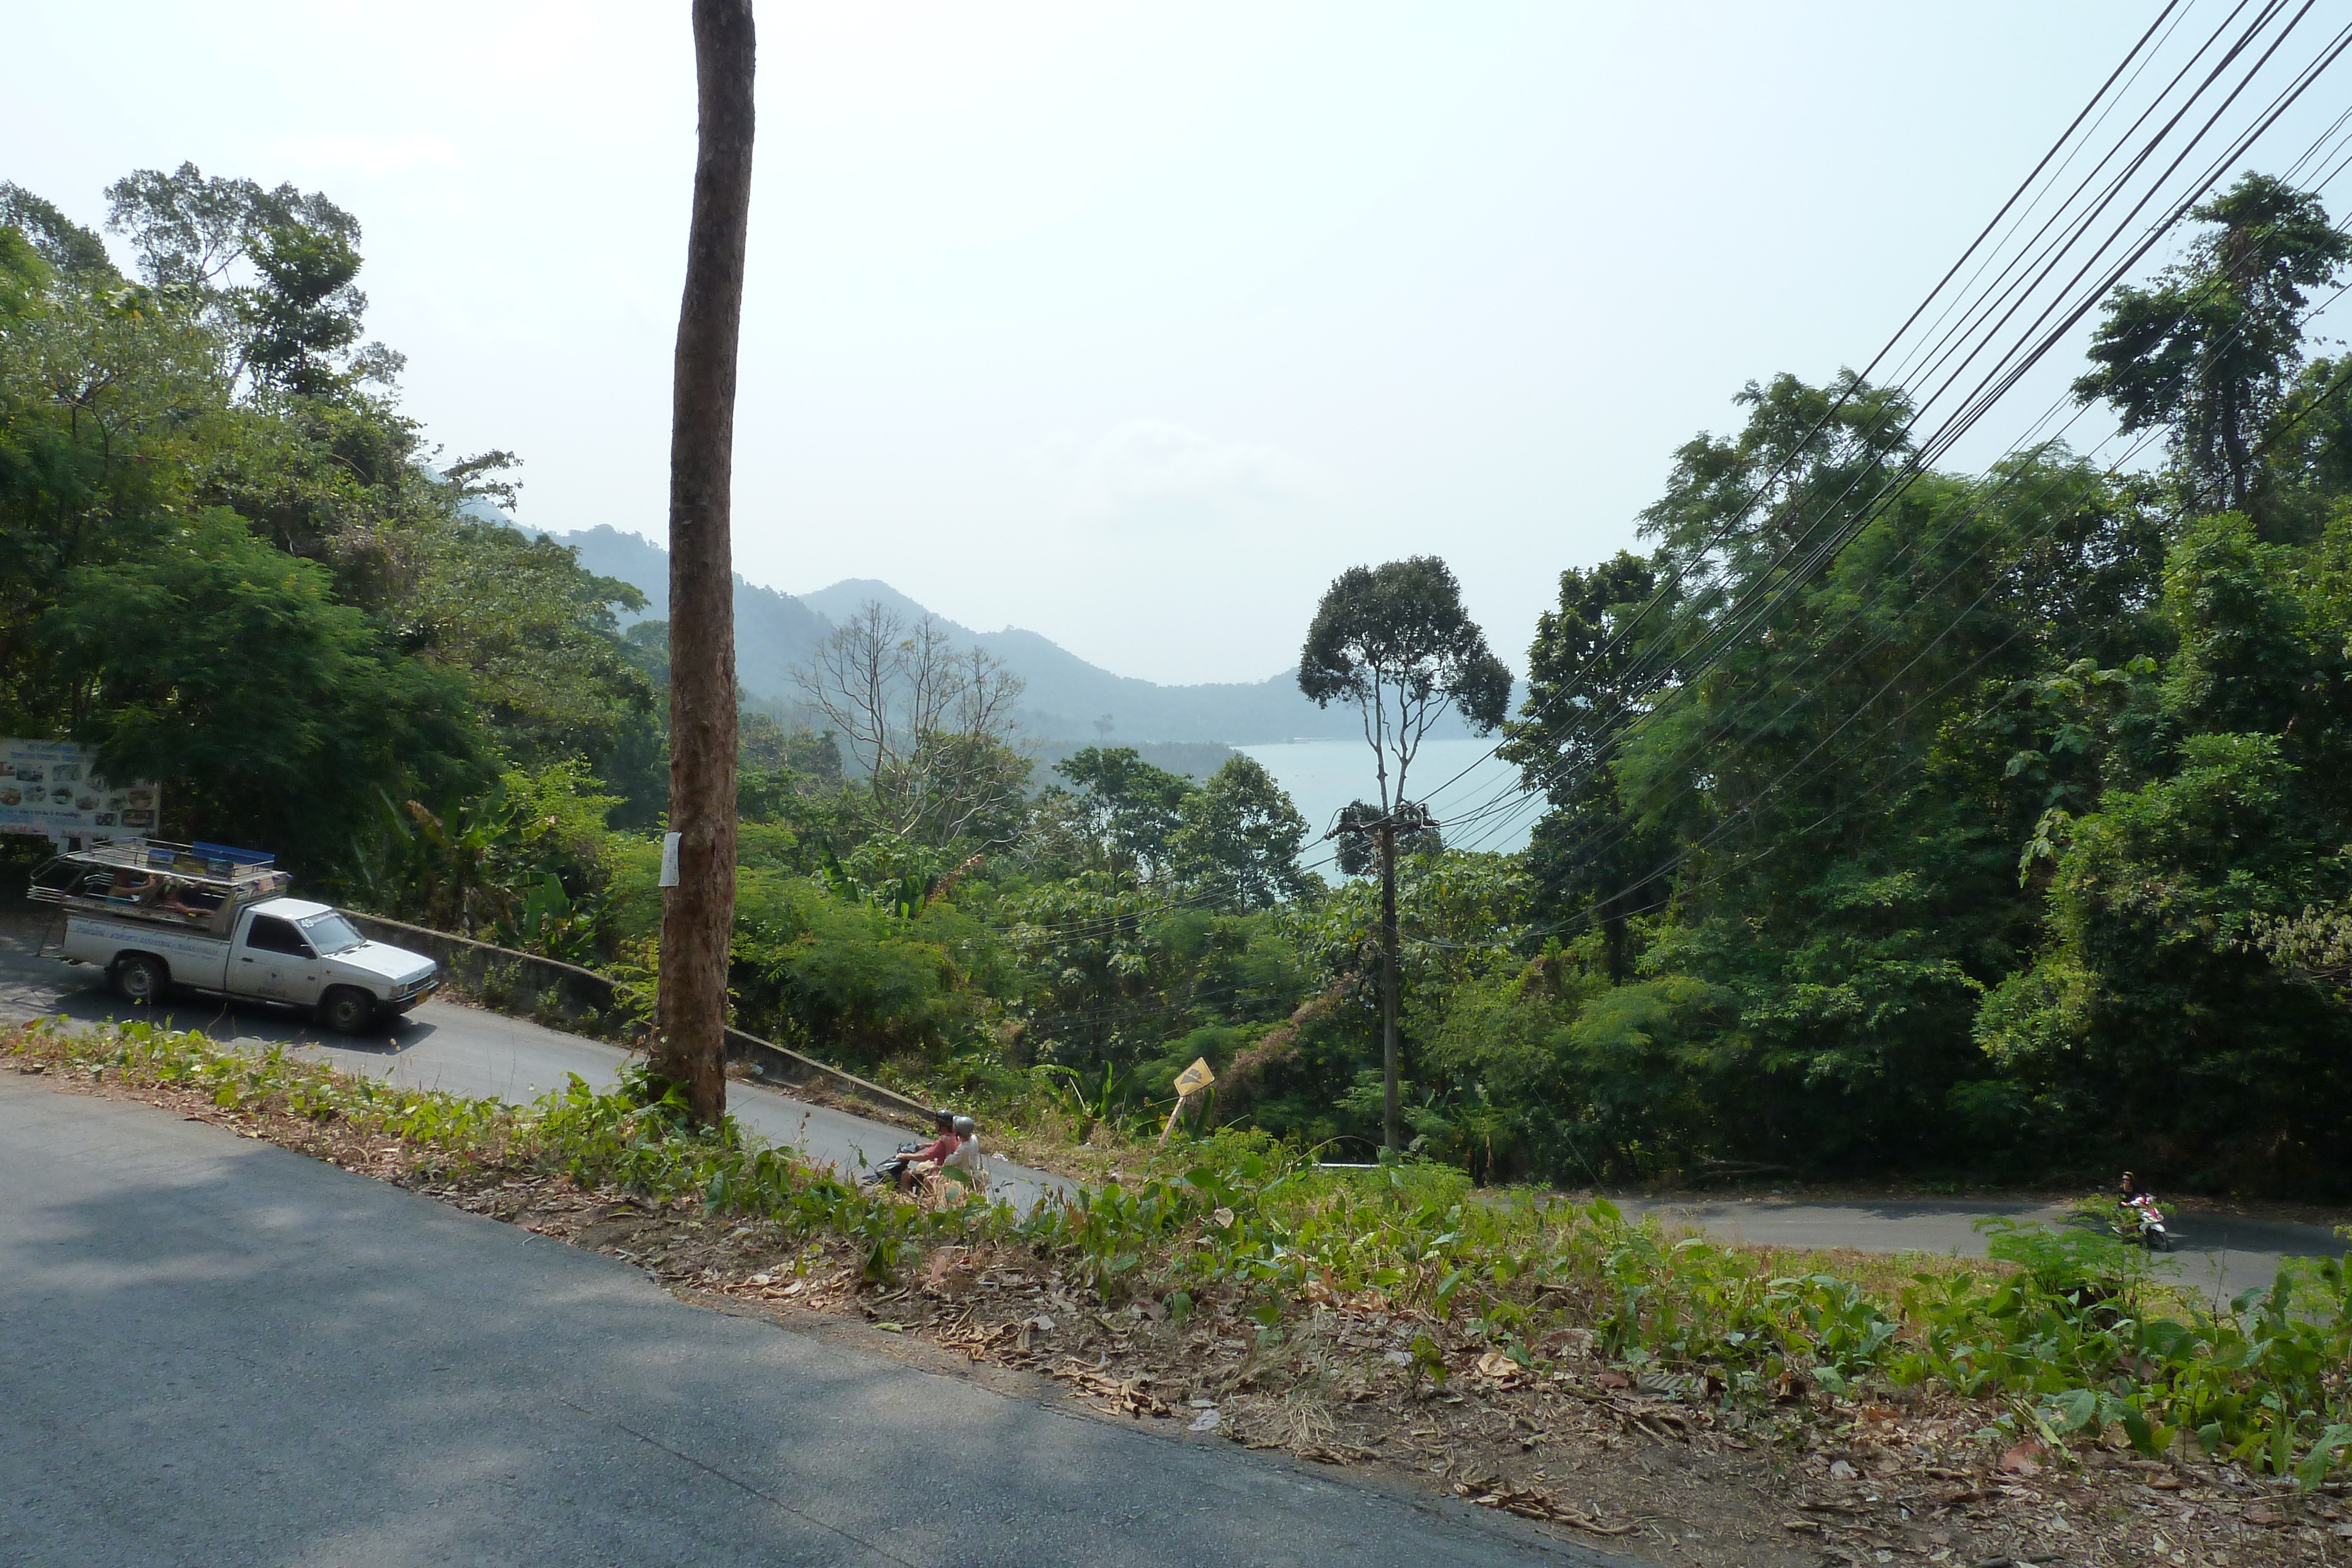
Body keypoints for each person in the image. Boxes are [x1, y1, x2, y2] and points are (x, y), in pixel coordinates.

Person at [897, 1111, 961, 1192]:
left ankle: (907, 1199)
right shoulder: (953, 1138)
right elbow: (940, 1148)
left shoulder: (943, 1140)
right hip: (945, 1172)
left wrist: (903, 1156)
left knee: (906, 1175)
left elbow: (925, 1157)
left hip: (937, 1174)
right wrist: (925, 1145)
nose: (935, 1124)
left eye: (936, 1122)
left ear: (941, 1125)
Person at [943, 1114, 985, 1193]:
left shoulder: (964, 1149)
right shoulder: (973, 1139)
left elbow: (948, 1163)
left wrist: (948, 1146)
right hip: (974, 1173)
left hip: (964, 1178)